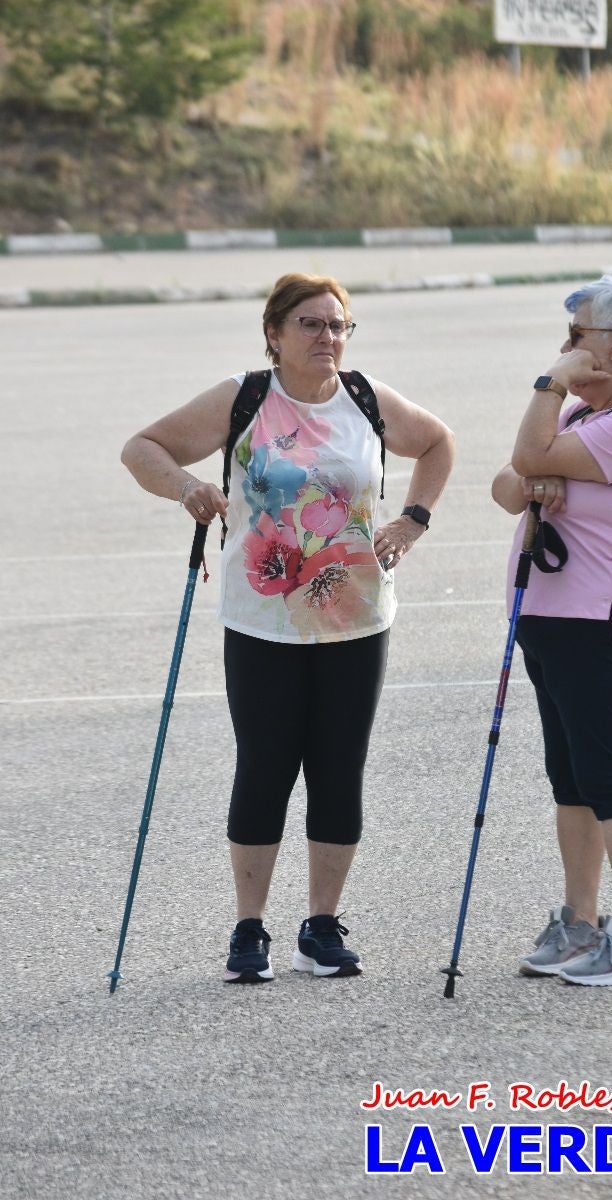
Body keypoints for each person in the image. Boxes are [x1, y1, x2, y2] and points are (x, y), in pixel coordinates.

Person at [121, 271, 455, 982]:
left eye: (339, 325)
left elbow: (437, 444)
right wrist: (188, 487)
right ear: (274, 335)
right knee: (265, 768)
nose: (328, 337)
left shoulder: (364, 400)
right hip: (261, 620)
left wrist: (413, 520)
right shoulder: (244, 398)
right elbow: (143, 448)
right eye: (311, 324)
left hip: (357, 619)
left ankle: (322, 925)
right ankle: (249, 930)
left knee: (339, 771)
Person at [492, 273, 612, 986]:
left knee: (606, 775)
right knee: (569, 778)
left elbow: (527, 460)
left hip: (600, 622)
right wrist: (537, 469)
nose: (565, 350)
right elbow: (509, 484)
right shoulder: (586, 419)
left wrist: (549, 386)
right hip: (552, 619)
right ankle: (581, 921)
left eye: (576, 337)